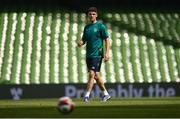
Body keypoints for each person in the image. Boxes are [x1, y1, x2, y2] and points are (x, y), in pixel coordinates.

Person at [77, 7, 111, 102]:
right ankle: (106, 94)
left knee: (91, 74)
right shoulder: (87, 28)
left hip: (97, 54)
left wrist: (107, 52)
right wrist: (81, 42)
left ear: (96, 15)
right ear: (88, 15)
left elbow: (107, 39)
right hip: (89, 55)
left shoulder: (100, 26)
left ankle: (86, 96)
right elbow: (84, 40)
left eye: (93, 14)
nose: (91, 15)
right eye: (90, 14)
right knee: (96, 75)